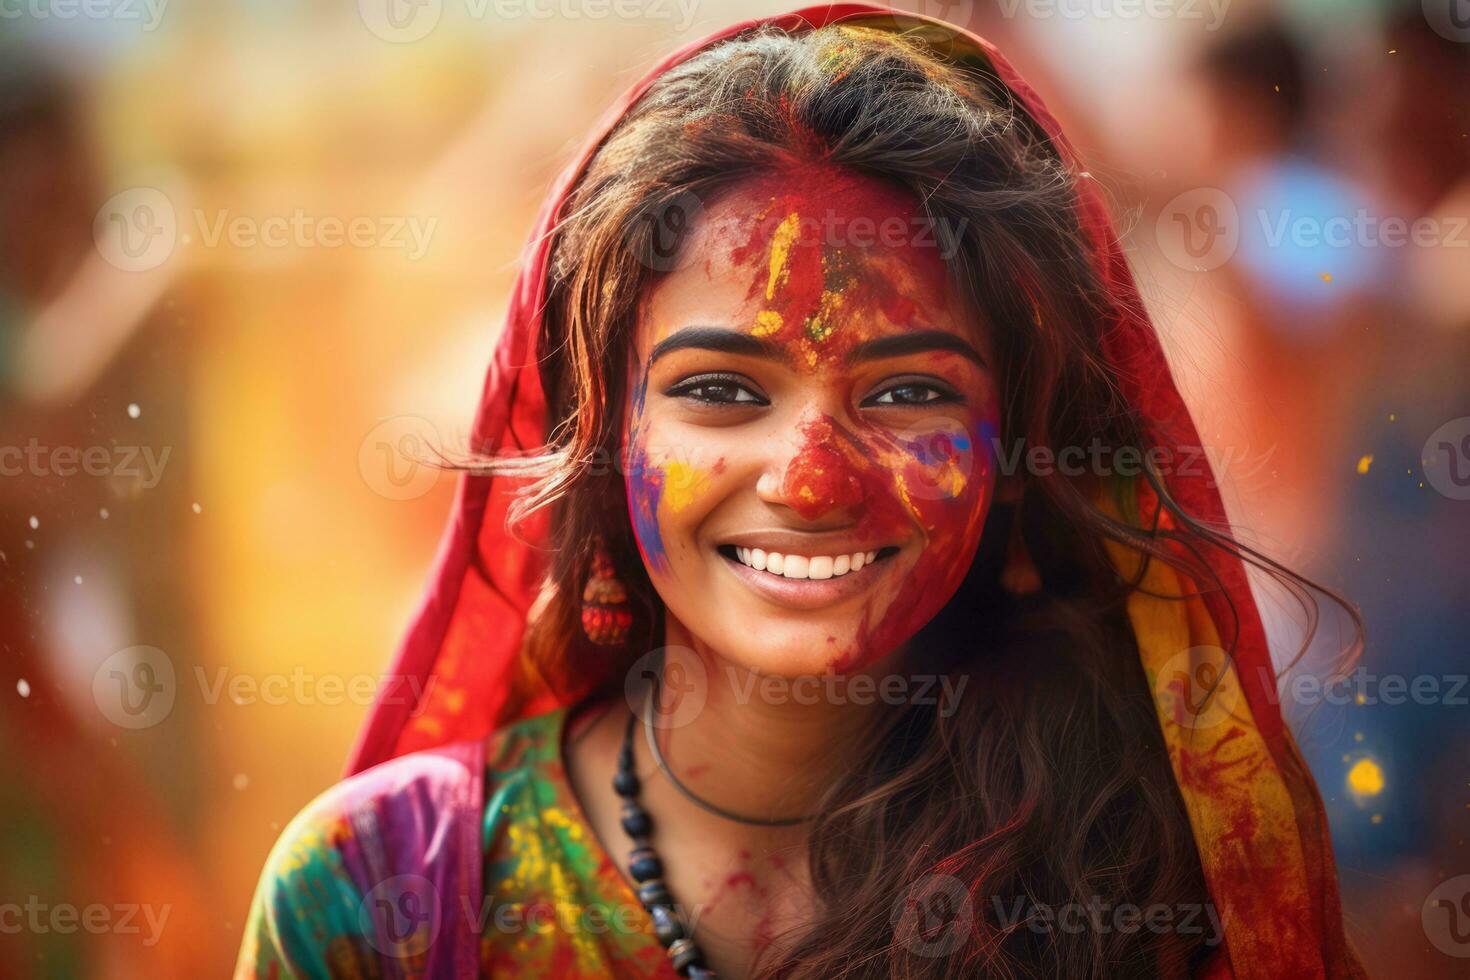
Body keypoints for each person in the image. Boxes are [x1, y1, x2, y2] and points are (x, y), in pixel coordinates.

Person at [236, 6, 1363, 978]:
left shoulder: (1151, 890)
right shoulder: (382, 896)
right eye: (723, 388)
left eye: (907, 390)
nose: (812, 478)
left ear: (1025, 459)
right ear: (603, 432)